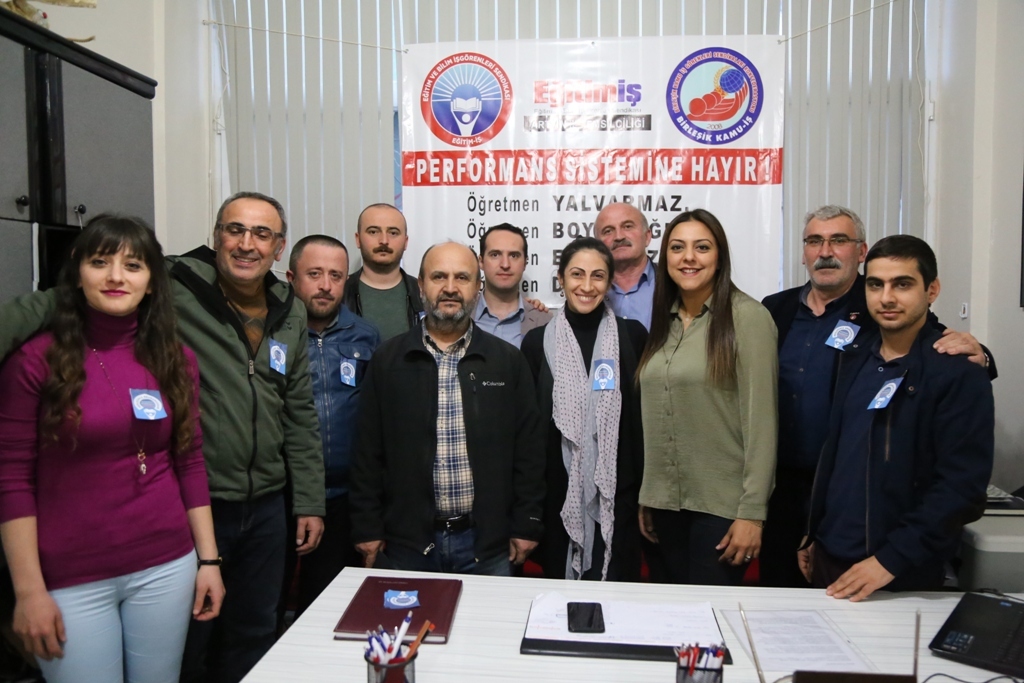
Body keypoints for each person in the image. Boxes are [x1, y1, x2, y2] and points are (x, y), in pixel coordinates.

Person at [0, 191, 326, 683]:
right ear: (216, 236)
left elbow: (298, 409)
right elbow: (64, 301)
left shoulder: (290, 309)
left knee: (254, 632)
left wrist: (309, 499)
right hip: (198, 502)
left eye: (262, 234)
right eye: (235, 229)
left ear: (279, 247)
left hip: (266, 504)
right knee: (195, 646)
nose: (247, 243)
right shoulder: (174, 282)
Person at [0, 215, 225, 682]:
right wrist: (28, 591)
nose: (116, 277)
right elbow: (12, 480)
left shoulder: (175, 358)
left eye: (133, 265)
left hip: (166, 566)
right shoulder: (35, 360)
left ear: (152, 282)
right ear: (78, 273)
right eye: (100, 262)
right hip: (69, 578)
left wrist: (208, 560)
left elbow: (188, 460)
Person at [760, 205, 997, 588]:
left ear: (860, 252)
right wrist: (815, 530)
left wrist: (981, 356)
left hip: (884, 525)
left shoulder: (884, 321)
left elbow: (935, 343)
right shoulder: (777, 310)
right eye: (815, 241)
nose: (825, 251)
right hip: (795, 494)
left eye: (838, 240)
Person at [350, 242, 545, 576]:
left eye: (462, 278)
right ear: (421, 285)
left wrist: (527, 522)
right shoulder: (388, 360)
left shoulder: (506, 361)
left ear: (477, 287)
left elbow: (529, 451)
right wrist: (367, 526)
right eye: (439, 277)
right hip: (407, 545)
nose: (450, 288)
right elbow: (367, 450)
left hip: (488, 546)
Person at [636, 209, 778, 586]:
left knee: (709, 618)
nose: (689, 258)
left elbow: (762, 423)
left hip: (722, 509)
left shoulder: (748, 318)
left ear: (719, 256)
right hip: (665, 506)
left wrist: (752, 513)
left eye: (701, 247)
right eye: (677, 248)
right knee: (669, 614)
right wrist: (650, 494)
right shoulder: (664, 320)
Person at [521, 238, 647, 581]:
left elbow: (640, 426)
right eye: (577, 274)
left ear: (609, 282)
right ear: (560, 279)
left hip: (618, 501)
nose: (587, 286)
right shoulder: (536, 343)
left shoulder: (632, 337)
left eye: (598, 276)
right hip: (557, 502)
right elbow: (529, 433)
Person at [283, 235, 380, 617]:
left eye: (336, 276)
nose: (325, 285)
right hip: (284, 495)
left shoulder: (366, 335)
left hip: (345, 498)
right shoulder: (272, 333)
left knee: (330, 608)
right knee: (268, 605)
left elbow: (377, 419)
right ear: (292, 277)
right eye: (314, 274)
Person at [343, 203, 424, 340]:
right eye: (373, 232)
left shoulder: (424, 294)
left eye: (393, 233)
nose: (384, 241)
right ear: (358, 239)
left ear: (405, 242)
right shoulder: (339, 294)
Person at [473, 223, 551, 348]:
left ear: (525, 263)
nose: (505, 264)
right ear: (481, 262)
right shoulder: (460, 313)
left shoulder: (544, 321)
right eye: (495, 255)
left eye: (514, 256)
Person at [596, 202, 656, 329]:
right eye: (608, 231)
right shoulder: (588, 289)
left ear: (647, 236)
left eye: (628, 227)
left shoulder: (673, 283)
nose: (619, 237)